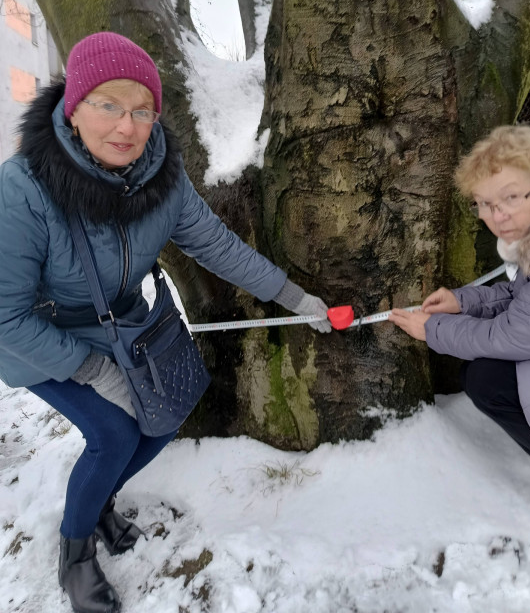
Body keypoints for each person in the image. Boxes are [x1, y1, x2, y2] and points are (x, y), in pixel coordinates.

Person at [0, 32, 331, 613]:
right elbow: (5, 315)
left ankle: (97, 502)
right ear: (73, 107)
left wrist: (293, 296)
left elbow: (217, 245)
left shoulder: (162, 178)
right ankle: (75, 552)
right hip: (39, 337)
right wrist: (88, 367)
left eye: (142, 110)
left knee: (165, 418)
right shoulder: (22, 190)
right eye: (108, 105)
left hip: (123, 326)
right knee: (114, 434)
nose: (126, 127)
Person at [388, 125, 530, 554]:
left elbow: (518, 335)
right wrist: (463, 302)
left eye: (511, 197)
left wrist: (431, 329)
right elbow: (525, 297)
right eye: (485, 204)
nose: (497, 215)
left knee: (490, 378)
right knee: (486, 373)